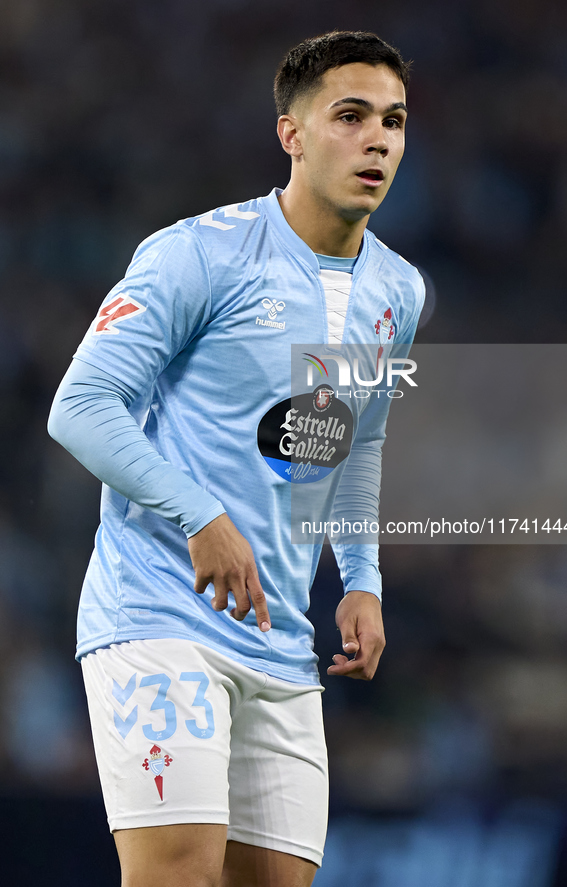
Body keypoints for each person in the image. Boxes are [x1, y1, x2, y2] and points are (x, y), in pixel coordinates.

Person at [48, 30, 424, 887]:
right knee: (179, 875)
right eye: (351, 116)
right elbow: (80, 408)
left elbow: (354, 438)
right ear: (291, 133)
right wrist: (201, 516)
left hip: (280, 638)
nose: (377, 140)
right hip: (159, 613)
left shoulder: (397, 291)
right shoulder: (200, 254)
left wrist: (360, 576)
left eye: (394, 122)